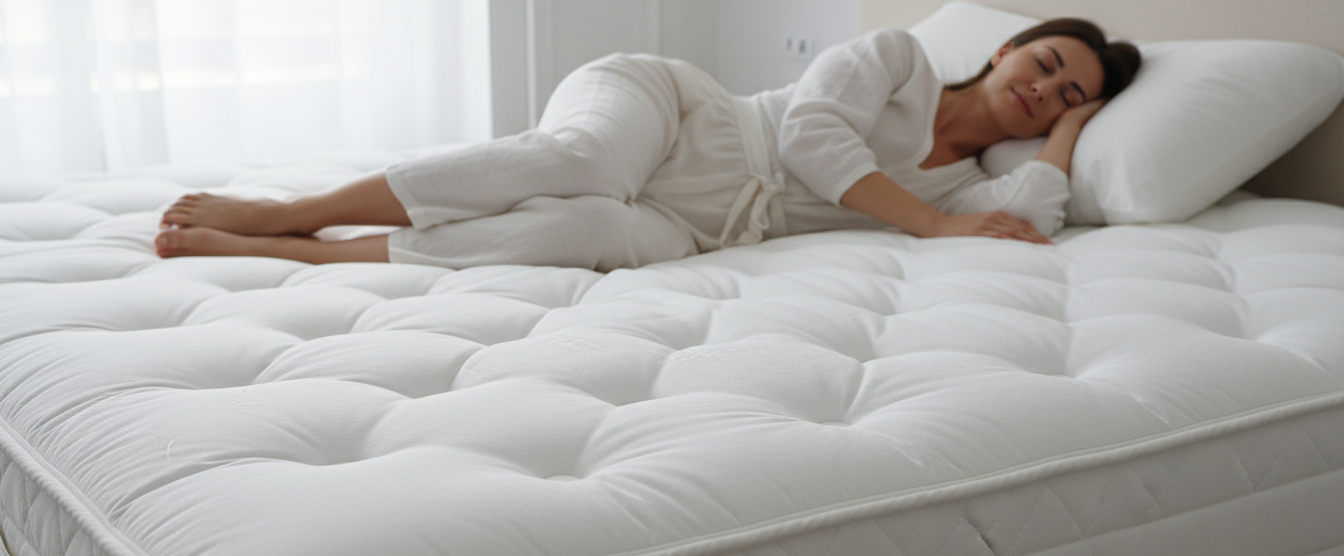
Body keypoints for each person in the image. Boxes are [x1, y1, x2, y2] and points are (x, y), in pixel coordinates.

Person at [155, 19, 1140, 270]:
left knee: (570, 234)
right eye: (1048, 63)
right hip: (674, 112)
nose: (1045, 88)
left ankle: (295, 257)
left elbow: (1029, 219)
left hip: (696, 228)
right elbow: (805, 133)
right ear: (1007, 45)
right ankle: (295, 213)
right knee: (579, 163)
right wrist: (925, 224)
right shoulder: (896, 57)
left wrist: (1070, 140)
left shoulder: (976, 181)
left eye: (1066, 94)